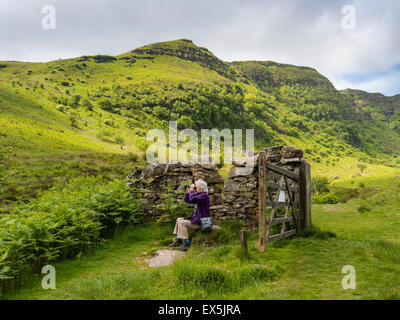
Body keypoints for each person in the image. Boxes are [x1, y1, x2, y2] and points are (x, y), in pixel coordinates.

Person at [169, 179, 210, 251]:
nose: (195, 189)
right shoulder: (200, 195)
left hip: (200, 223)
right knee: (178, 219)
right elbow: (187, 200)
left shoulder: (204, 196)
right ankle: (178, 240)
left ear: (201, 188)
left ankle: (186, 243)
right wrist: (188, 192)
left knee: (181, 223)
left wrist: (191, 190)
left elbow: (193, 199)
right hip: (196, 220)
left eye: (196, 187)